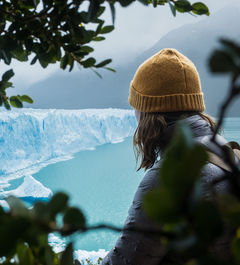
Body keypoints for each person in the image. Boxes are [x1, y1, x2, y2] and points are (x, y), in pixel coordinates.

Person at [102, 48, 234, 265]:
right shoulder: (230, 153)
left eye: (136, 106)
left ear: (147, 112)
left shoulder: (169, 177)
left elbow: (126, 261)